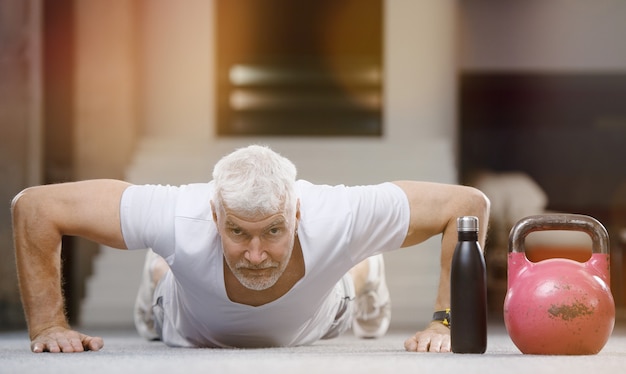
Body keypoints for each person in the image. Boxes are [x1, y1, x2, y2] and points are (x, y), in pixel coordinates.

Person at [11, 144, 489, 353]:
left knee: (350, 276)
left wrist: (445, 321)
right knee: (165, 272)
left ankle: (366, 270)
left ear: (297, 212)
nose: (256, 253)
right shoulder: (179, 211)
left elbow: (467, 204)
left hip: (320, 316)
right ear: (215, 215)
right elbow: (34, 207)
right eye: (238, 232)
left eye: (274, 231)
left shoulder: (337, 211)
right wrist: (50, 325)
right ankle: (161, 270)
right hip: (183, 322)